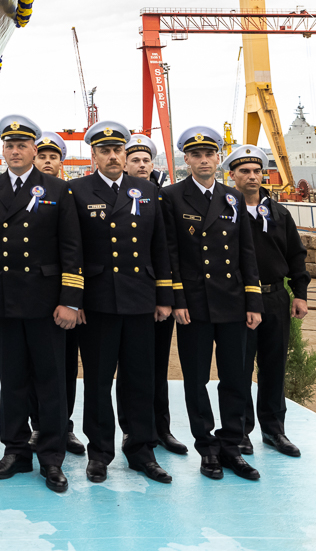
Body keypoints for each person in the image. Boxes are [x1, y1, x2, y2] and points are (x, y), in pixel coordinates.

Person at [0, 114, 83, 494]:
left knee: (50, 381)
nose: (15, 151)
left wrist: (70, 300)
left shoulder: (58, 189)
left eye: (22, 145)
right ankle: (16, 450)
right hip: (4, 299)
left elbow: (71, 249)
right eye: (9, 145)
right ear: (2, 150)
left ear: (35, 149)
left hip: (46, 301)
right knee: (13, 379)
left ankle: (51, 457)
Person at [70, 121, 175, 485]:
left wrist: (164, 296)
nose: (113, 156)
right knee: (98, 381)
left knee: (139, 379)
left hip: (140, 299)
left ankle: (142, 450)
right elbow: (73, 251)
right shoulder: (77, 191)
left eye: (118, 150)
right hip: (98, 301)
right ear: (94, 155)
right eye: (105, 151)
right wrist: (74, 300)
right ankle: (99, 453)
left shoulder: (147, 191)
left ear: (125, 154)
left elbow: (160, 247)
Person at [161, 126, 262, 481]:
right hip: (194, 304)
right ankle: (207, 447)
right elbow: (170, 253)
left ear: (219, 158)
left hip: (232, 301)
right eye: (196, 155)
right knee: (196, 379)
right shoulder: (171, 196)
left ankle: (232, 445)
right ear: (186, 159)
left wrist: (253, 300)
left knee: (235, 378)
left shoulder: (233, 197)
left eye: (209, 154)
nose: (204, 160)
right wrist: (177, 299)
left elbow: (246, 252)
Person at [225, 145, 308, 458]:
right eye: (244, 171)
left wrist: (300, 294)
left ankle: (274, 430)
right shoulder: (224, 211)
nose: (252, 176)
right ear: (232, 176)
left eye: (257, 171)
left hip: (274, 297)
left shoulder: (279, 213)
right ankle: (240, 431)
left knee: (274, 366)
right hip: (238, 299)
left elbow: (295, 254)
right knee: (240, 367)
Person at [124, 133, 187, 457]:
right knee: (129, 369)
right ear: (125, 163)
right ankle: (131, 429)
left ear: (153, 164)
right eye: (135, 159)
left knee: (158, 366)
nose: (141, 165)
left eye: (146, 160)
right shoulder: (118, 195)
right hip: (128, 296)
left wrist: (170, 295)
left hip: (159, 294)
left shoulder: (164, 197)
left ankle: (161, 428)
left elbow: (170, 249)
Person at [28, 131, 84, 457]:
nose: (48, 162)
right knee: (34, 366)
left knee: (66, 366)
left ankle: (65, 425)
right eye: (43, 156)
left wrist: (75, 299)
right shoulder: (23, 195)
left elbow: (78, 249)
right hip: (35, 295)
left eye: (54, 157)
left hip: (67, 296)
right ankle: (39, 425)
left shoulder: (70, 194)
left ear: (61, 162)